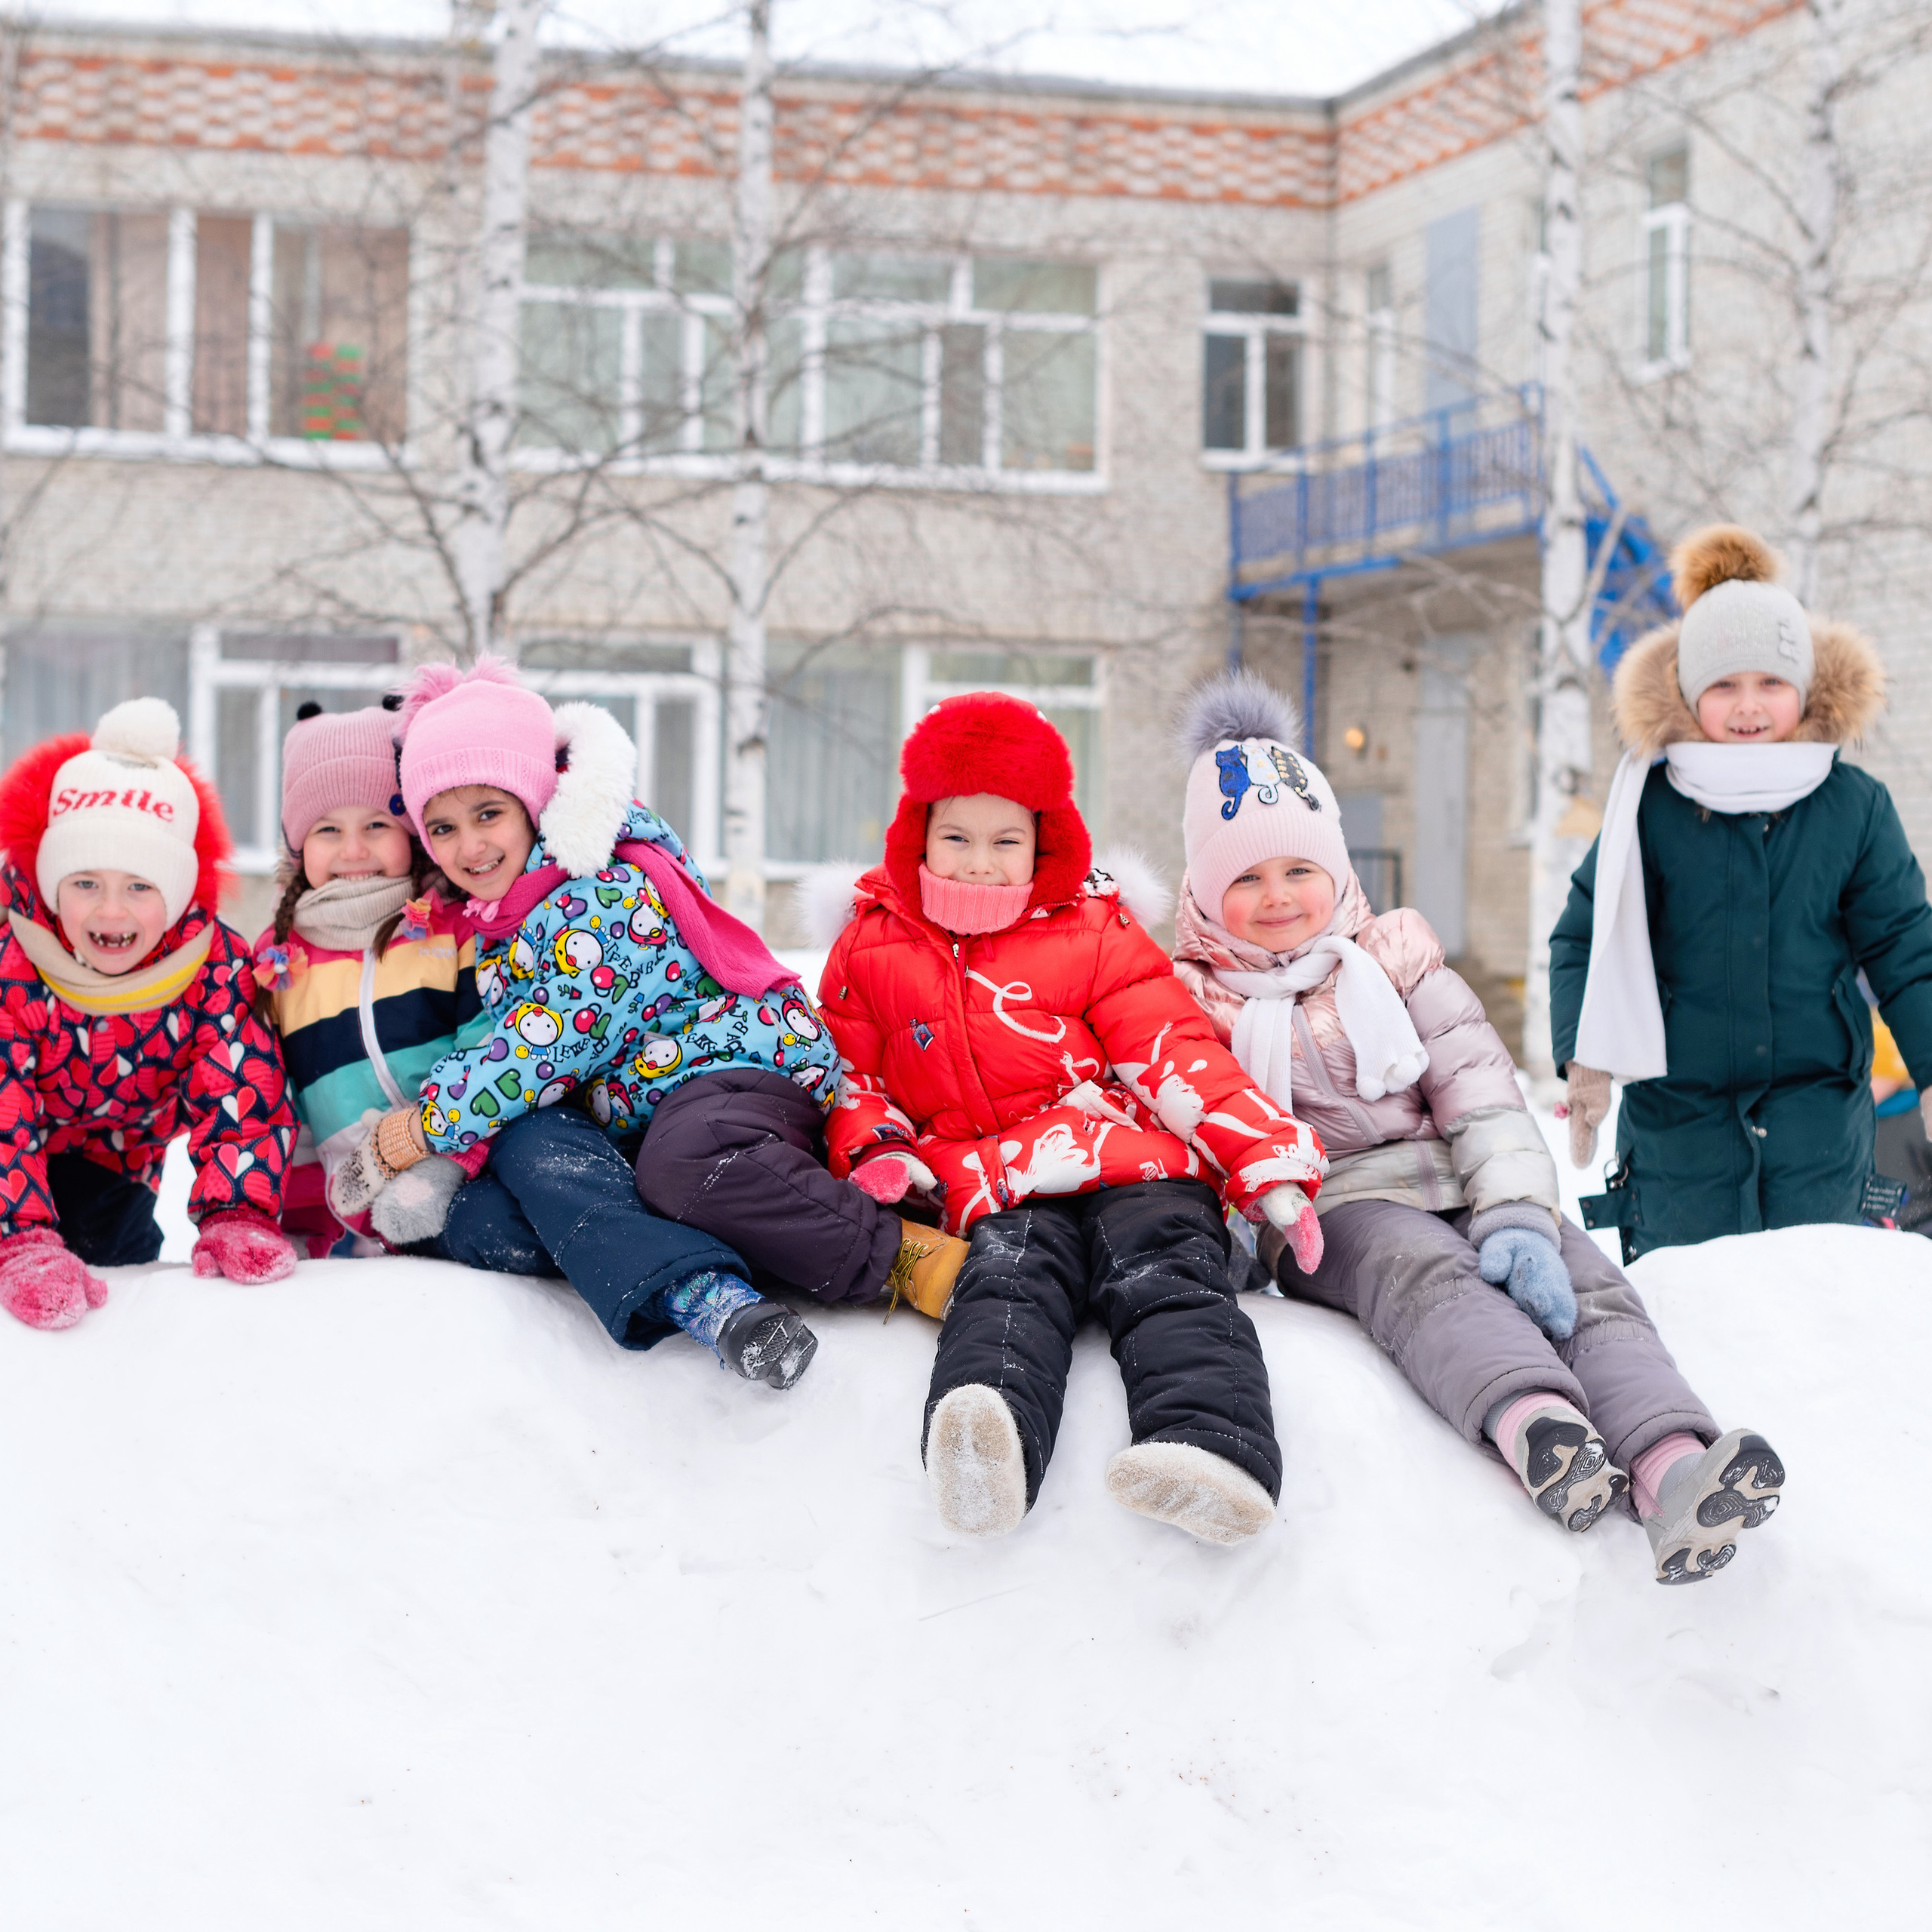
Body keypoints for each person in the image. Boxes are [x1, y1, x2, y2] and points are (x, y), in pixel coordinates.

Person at [1169, 671, 1783, 1584]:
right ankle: (1536, 1426)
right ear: (1205, 893)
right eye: (1246, 878)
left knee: (1586, 1283)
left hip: (1458, 1172)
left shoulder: (1396, 964)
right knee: (1425, 1275)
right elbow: (1195, 1128)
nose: (1278, 895)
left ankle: (1673, 1472)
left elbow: (1479, 1087)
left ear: (1335, 871)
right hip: (1332, 1209)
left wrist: (1518, 1214)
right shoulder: (1197, 1004)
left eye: (1299, 868)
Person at [813, 691, 1327, 1546]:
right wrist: (879, 1150)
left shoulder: (1092, 925)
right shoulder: (871, 943)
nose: (980, 863)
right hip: (1001, 1173)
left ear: (1043, 843)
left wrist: (1265, 1159)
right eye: (958, 838)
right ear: (918, 833)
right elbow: (847, 1070)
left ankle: (1213, 1452)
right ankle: (989, 1445)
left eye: (1005, 841)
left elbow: (1172, 1048)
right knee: (1008, 1276)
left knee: (1167, 1267)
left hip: (1133, 1155)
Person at [332, 657, 879, 1389]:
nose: (470, 846)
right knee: (478, 1220)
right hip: (638, 1110)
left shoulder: (606, 887)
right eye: (444, 826)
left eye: (488, 813)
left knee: (679, 1163)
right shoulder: (501, 920)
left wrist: (422, 1128)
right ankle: (694, 1273)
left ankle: (879, 1255)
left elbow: (547, 1042)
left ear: (534, 802)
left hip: (726, 1072)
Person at [1551, 523, 1932, 1257]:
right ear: (1690, 695)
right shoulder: (1652, 804)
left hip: (1817, 1126)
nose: (1748, 704)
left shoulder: (1852, 804)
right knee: (1694, 1332)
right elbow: (1586, 933)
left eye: (1769, 683)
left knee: (1810, 1325)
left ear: (1806, 688)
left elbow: (1905, 948)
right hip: (1678, 1135)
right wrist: (1584, 1058)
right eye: (1723, 684)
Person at [0, 698, 299, 1328]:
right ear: (53, 885)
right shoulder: (17, 956)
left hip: (117, 1160)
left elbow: (240, 1087)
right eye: (85, 883)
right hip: (14, 1151)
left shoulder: (210, 964)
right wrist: (19, 1238)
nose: (112, 912)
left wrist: (235, 1213)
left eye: (140, 886)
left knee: (116, 1264)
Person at [254, 700, 490, 1257]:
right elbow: (288, 1119)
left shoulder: (453, 929)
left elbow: (486, 1048)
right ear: (298, 845)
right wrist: (310, 1233)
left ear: (411, 834)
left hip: (469, 1183)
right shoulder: (280, 962)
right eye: (328, 829)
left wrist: (449, 1163)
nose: (353, 850)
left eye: (378, 825)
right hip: (352, 1228)